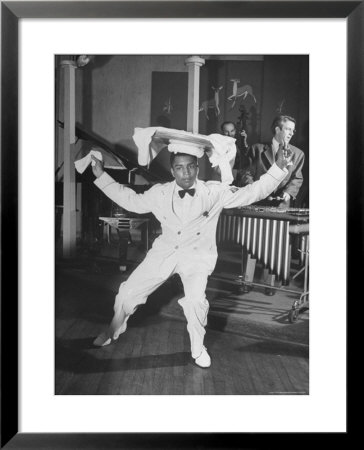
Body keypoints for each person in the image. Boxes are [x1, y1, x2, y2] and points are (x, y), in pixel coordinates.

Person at [90, 143, 290, 368]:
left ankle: (198, 348)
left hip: (197, 257)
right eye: (179, 168)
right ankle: (112, 329)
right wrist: (101, 176)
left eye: (190, 167)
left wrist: (278, 169)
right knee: (127, 294)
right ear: (172, 170)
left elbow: (251, 192)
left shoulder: (214, 192)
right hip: (164, 252)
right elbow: (131, 201)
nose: (185, 173)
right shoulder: (160, 192)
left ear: (197, 167)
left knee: (195, 302)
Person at [241, 115, 305, 207]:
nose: (292, 133)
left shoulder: (298, 154)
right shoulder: (256, 149)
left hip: (281, 205)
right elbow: (246, 173)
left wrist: (288, 193)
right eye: (288, 129)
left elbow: (297, 178)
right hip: (256, 203)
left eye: (293, 130)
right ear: (277, 130)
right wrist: (253, 190)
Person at [220, 121, 249, 187]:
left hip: (239, 176)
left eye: (232, 131)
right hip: (228, 177)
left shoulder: (235, 143)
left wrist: (244, 141)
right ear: (222, 132)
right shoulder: (220, 145)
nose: (229, 134)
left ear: (235, 131)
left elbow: (246, 155)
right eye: (226, 131)